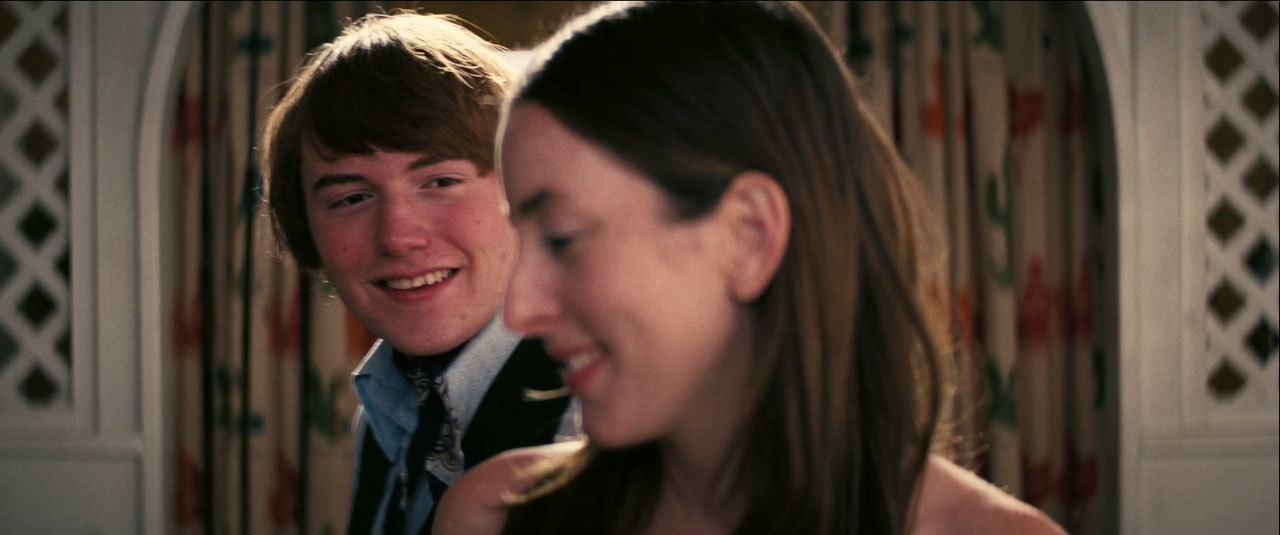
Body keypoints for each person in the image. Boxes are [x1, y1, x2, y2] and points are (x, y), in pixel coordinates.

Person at [433, 2, 1067, 534]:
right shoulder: (494, 518)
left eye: (563, 237)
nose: (519, 309)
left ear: (749, 236)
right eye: (522, 239)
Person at [260, 12, 576, 535]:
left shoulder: (590, 418)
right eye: (352, 198)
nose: (397, 236)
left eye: (440, 181)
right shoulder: (384, 413)